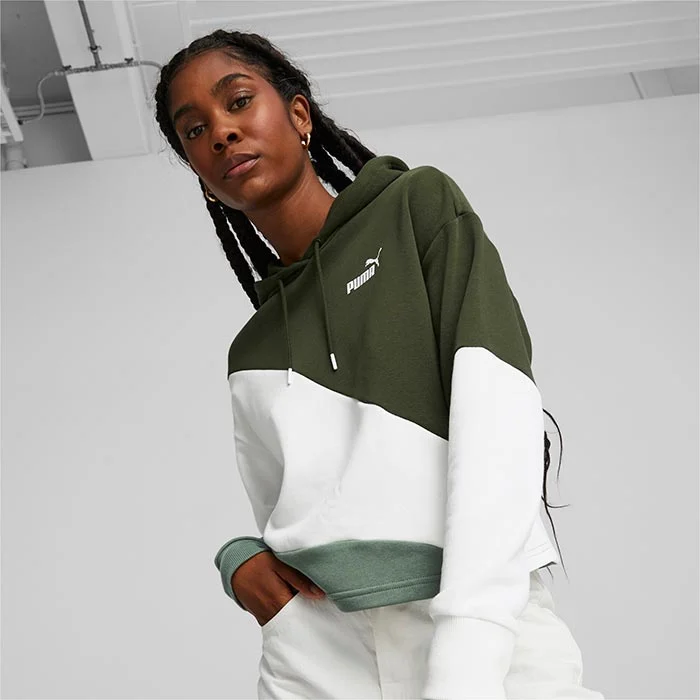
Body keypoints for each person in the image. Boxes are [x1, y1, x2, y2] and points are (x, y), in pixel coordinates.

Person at [154, 29, 605, 700]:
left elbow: (498, 417)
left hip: (481, 629)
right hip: (322, 658)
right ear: (201, 176)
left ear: (299, 116)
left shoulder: (415, 208)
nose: (221, 132)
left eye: (239, 101)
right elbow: (287, 511)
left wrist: (469, 647)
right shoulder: (249, 352)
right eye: (194, 130)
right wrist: (239, 563)